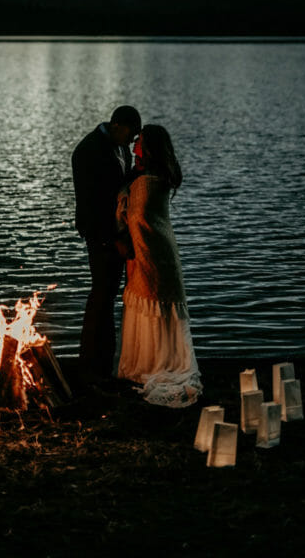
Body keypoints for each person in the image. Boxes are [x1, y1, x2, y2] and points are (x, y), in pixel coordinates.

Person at [117, 124, 202, 407]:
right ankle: (150, 362)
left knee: (154, 301)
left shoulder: (149, 181)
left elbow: (139, 217)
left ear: (149, 147)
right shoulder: (150, 175)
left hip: (154, 252)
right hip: (160, 250)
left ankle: (159, 365)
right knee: (152, 303)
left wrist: (122, 223)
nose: (133, 146)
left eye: (138, 141)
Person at [72, 104, 142, 386]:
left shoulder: (119, 147)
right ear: (117, 126)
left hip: (116, 232)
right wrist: (113, 239)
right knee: (101, 295)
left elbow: (120, 184)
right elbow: (93, 203)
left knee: (108, 295)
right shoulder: (89, 151)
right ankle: (91, 363)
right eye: (131, 133)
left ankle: (103, 361)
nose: (132, 140)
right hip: (100, 234)